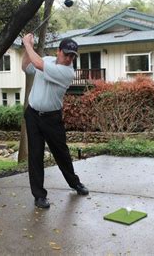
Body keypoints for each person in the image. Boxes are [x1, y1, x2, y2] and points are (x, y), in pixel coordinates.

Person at [21, 33, 89, 209]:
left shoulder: (67, 72)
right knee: (35, 155)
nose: (68, 59)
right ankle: (39, 196)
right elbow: (27, 67)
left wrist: (28, 45)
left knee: (61, 154)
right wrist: (26, 48)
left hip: (52, 118)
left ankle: (74, 183)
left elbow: (37, 63)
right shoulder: (48, 60)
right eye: (66, 54)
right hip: (33, 115)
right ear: (58, 51)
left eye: (72, 56)